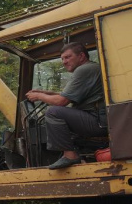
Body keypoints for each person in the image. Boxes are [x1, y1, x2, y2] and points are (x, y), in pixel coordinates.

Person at [26, 42, 107, 170]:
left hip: (98, 121)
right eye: (62, 58)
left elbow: (61, 101)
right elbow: (68, 96)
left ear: (81, 56)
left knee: (53, 112)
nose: (64, 61)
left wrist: (39, 97)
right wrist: (45, 93)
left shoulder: (84, 70)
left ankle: (70, 155)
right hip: (97, 119)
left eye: (68, 57)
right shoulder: (90, 68)